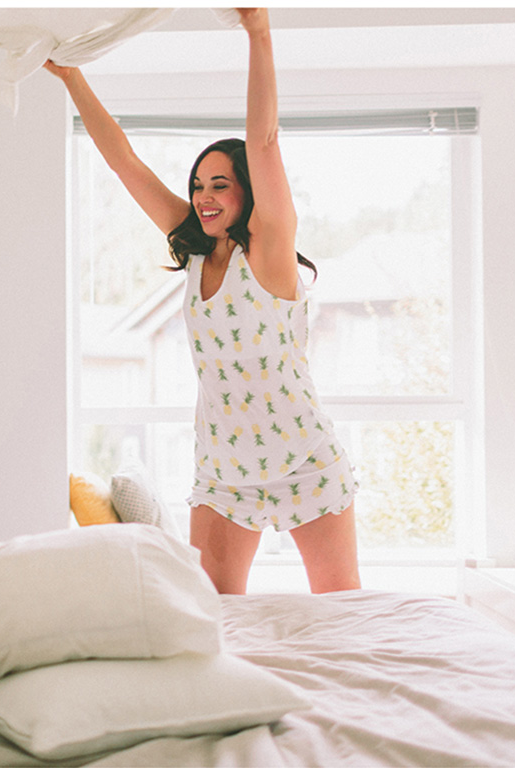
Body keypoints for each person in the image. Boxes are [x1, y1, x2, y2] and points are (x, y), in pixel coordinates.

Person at [45, 8, 360, 595]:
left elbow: (263, 141)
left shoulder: (270, 252)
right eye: (197, 184)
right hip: (225, 473)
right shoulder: (195, 255)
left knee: (340, 612)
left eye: (221, 184)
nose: (204, 196)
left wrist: (258, 34)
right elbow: (123, 162)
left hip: (305, 460)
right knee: (212, 616)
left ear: (249, 191)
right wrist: (71, 77)